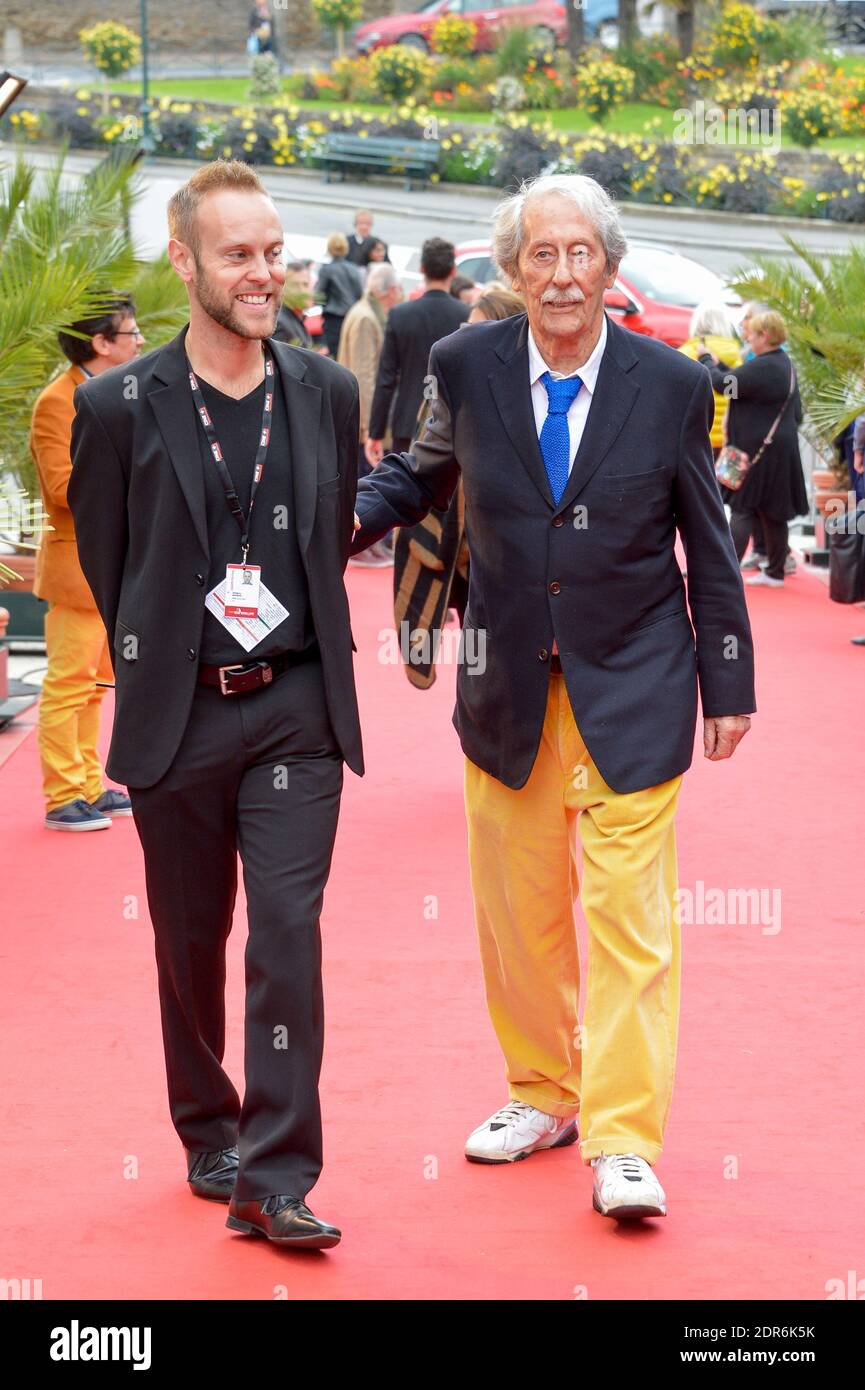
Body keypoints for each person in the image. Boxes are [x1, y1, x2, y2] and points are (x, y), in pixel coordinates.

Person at [352, 172, 755, 1220]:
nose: (563, 274)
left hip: (637, 679)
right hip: (506, 687)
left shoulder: (670, 385)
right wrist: (316, 523)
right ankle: (542, 1091)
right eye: (542, 253)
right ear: (514, 267)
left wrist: (729, 676)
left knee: (629, 921)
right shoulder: (464, 363)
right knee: (518, 916)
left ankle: (623, 1136)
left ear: (608, 268)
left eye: (581, 254)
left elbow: (705, 542)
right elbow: (418, 478)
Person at [68, 159, 365, 1250]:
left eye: (274, 250)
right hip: (180, 712)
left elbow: (324, 546)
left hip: (293, 703)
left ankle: (276, 1173)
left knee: (287, 931)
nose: (264, 273)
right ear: (184, 261)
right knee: (190, 943)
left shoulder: (325, 391)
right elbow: (111, 563)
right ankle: (209, 1131)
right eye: (238, 254)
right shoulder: (117, 406)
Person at [31, 298, 143, 831]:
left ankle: (88, 783)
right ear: (101, 342)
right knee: (69, 684)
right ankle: (61, 795)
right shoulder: (59, 400)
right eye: (131, 332)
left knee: (97, 685)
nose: (140, 340)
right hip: (77, 569)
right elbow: (60, 486)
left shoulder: (114, 392)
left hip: (109, 562)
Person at [391, 283, 527, 682]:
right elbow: (420, 474)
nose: (466, 341)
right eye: (465, 329)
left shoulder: (537, 405)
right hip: (465, 564)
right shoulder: (449, 395)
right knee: (478, 679)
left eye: (478, 332)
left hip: (519, 573)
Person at [699, 309, 807, 589]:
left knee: (742, 506)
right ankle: (774, 571)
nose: (747, 337)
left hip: (755, 451)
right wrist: (721, 365)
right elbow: (796, 412)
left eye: (752, 333)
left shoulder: (767, 365)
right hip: (776, 448)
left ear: (765, 335)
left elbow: (724, 384)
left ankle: (727, 568)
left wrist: (706, 359)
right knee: (772, 510)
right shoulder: (783, 364)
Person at [365, 237, 469, 467]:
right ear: (453, 270)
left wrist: (376, 432)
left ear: (421, 269)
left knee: (405, 493)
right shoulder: (466, 314)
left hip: (406, 421)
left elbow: (386, 378)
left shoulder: (400, 315)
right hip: (453, 424)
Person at [337, 263, 403, 568]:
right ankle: (361, 546)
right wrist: (367, 426)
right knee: (365, 480)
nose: (400, 295)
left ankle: (370, 546)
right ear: (388, 291)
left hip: (362, 414)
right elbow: (363, 375)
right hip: (362, 415)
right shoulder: (366, 317)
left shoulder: (369, 313)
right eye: (398, 290)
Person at [678, 303, 741, 460]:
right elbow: (734, 396)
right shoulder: (736, 357)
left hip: (695, 438)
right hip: (726, 441)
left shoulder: (683, 355)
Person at [314, 233, 363, 358]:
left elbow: (317, 296)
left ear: (329, 248)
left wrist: (323, 305)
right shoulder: (354, 269)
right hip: (353, 316)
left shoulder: (327, 269)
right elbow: (360, 293)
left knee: (335, 355)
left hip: (334, 318)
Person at [272, 259, 315, 349]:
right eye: (295, 286)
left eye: (305, 284)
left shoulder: (296, 318)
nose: (302, 291)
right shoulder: (280, 324)